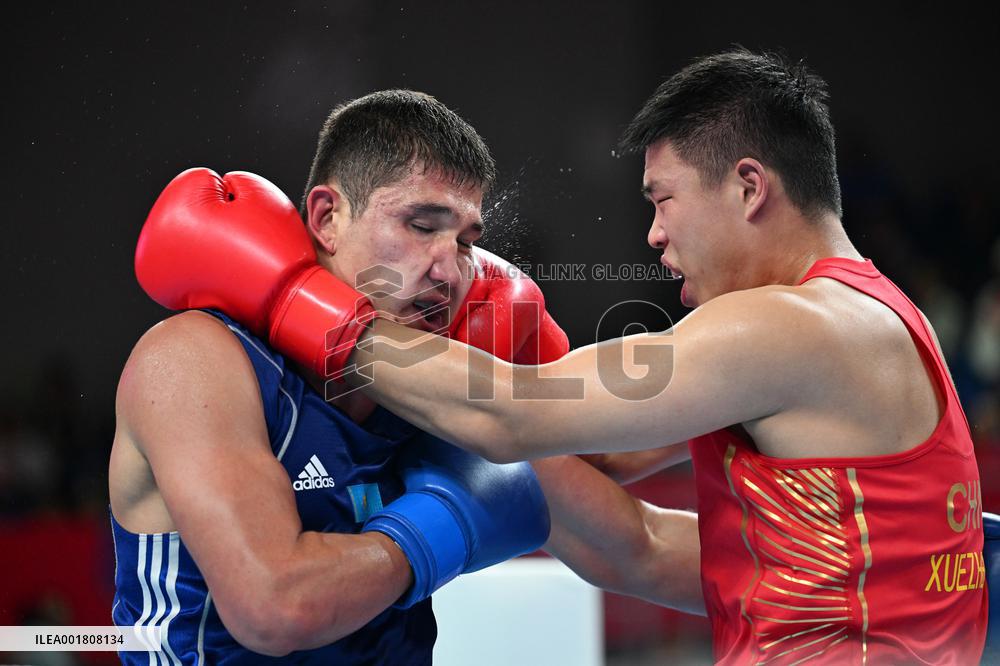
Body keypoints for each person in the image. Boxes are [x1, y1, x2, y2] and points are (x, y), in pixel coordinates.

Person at [138, 50, 993, 664]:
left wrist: (292, 292)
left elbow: (512, 417)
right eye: (422, 226)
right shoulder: (875, 316)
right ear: (326, 216)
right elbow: (629, 527)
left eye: (663, 199)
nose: (653, 235)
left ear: (747, 186)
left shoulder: (788, 328)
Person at [112, 90, 563, 664]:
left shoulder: (444, 385)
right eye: (421, 225)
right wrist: (443, 525)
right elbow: (275, 607)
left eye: (467, 243)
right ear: (327, 217)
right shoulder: (196, 360)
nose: (450, 270)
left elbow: (626, 532)